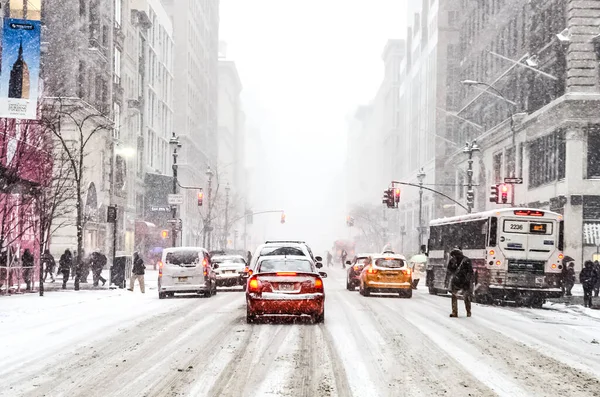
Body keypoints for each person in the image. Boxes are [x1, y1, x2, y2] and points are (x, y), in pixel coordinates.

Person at [446, 248, 473, 318]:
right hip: (461, 281)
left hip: (460, 281)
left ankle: (457, 312)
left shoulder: (465, 261)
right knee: (464, 297)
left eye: (453, 256)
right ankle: (467, 312)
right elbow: (449, 269)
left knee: (458, 296)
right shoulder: (466, 260)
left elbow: (449, 270)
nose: (453, 257)